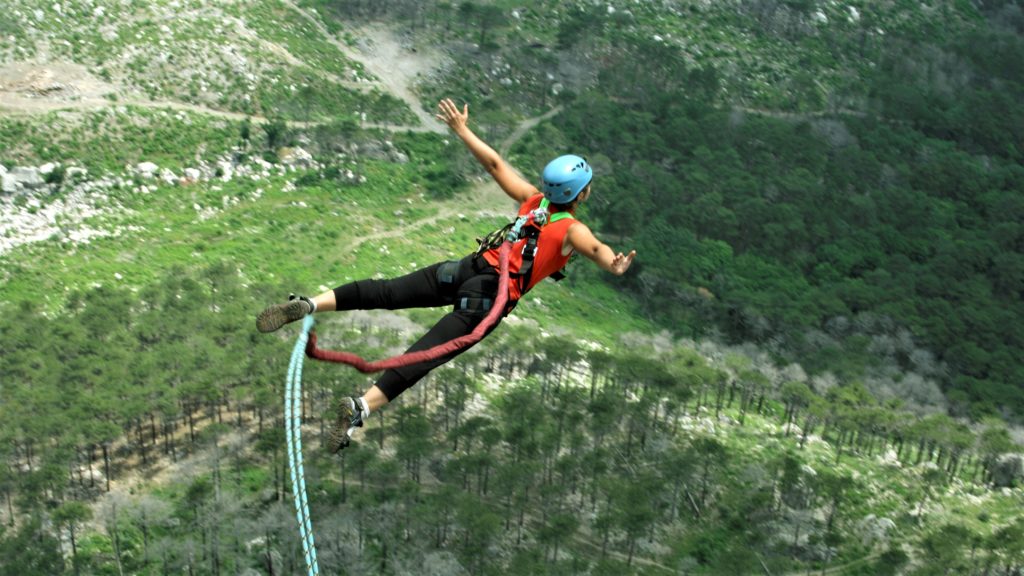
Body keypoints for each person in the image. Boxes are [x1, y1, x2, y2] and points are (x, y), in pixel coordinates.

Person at [256, 97, 636, 451]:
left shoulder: (532, 200)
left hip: (466, 268)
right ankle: (361, 407)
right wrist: (613, 264)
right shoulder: (571, 228)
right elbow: (595, 248)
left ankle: (310, 303)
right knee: (424, 353)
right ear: (580, 194)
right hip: (488, 299)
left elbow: (495, 165)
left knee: (387, 291)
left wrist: (462, 129)